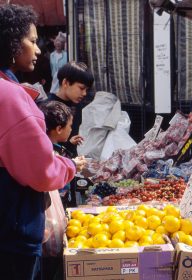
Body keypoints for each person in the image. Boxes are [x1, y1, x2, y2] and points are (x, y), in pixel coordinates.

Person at [0, 4, 76, 280]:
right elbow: (41, 172)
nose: (39, 49)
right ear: (10, 43)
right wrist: (69, 166)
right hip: (11, 234)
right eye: (32, 41)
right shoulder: (9, 97)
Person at [38, 100, 86, 280]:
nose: (71, 129)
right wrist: (73, 165)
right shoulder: (46, 152)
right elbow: (53, 176)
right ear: (58, 129)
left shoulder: (47, 147)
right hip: (44, 227)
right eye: (70, 126)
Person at [47, 61, 94, 157]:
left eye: (86, 90)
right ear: (65, 83)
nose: (84, 93)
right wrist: (68, 144)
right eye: (81, 88)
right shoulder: (48, 107)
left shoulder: (77, 105)